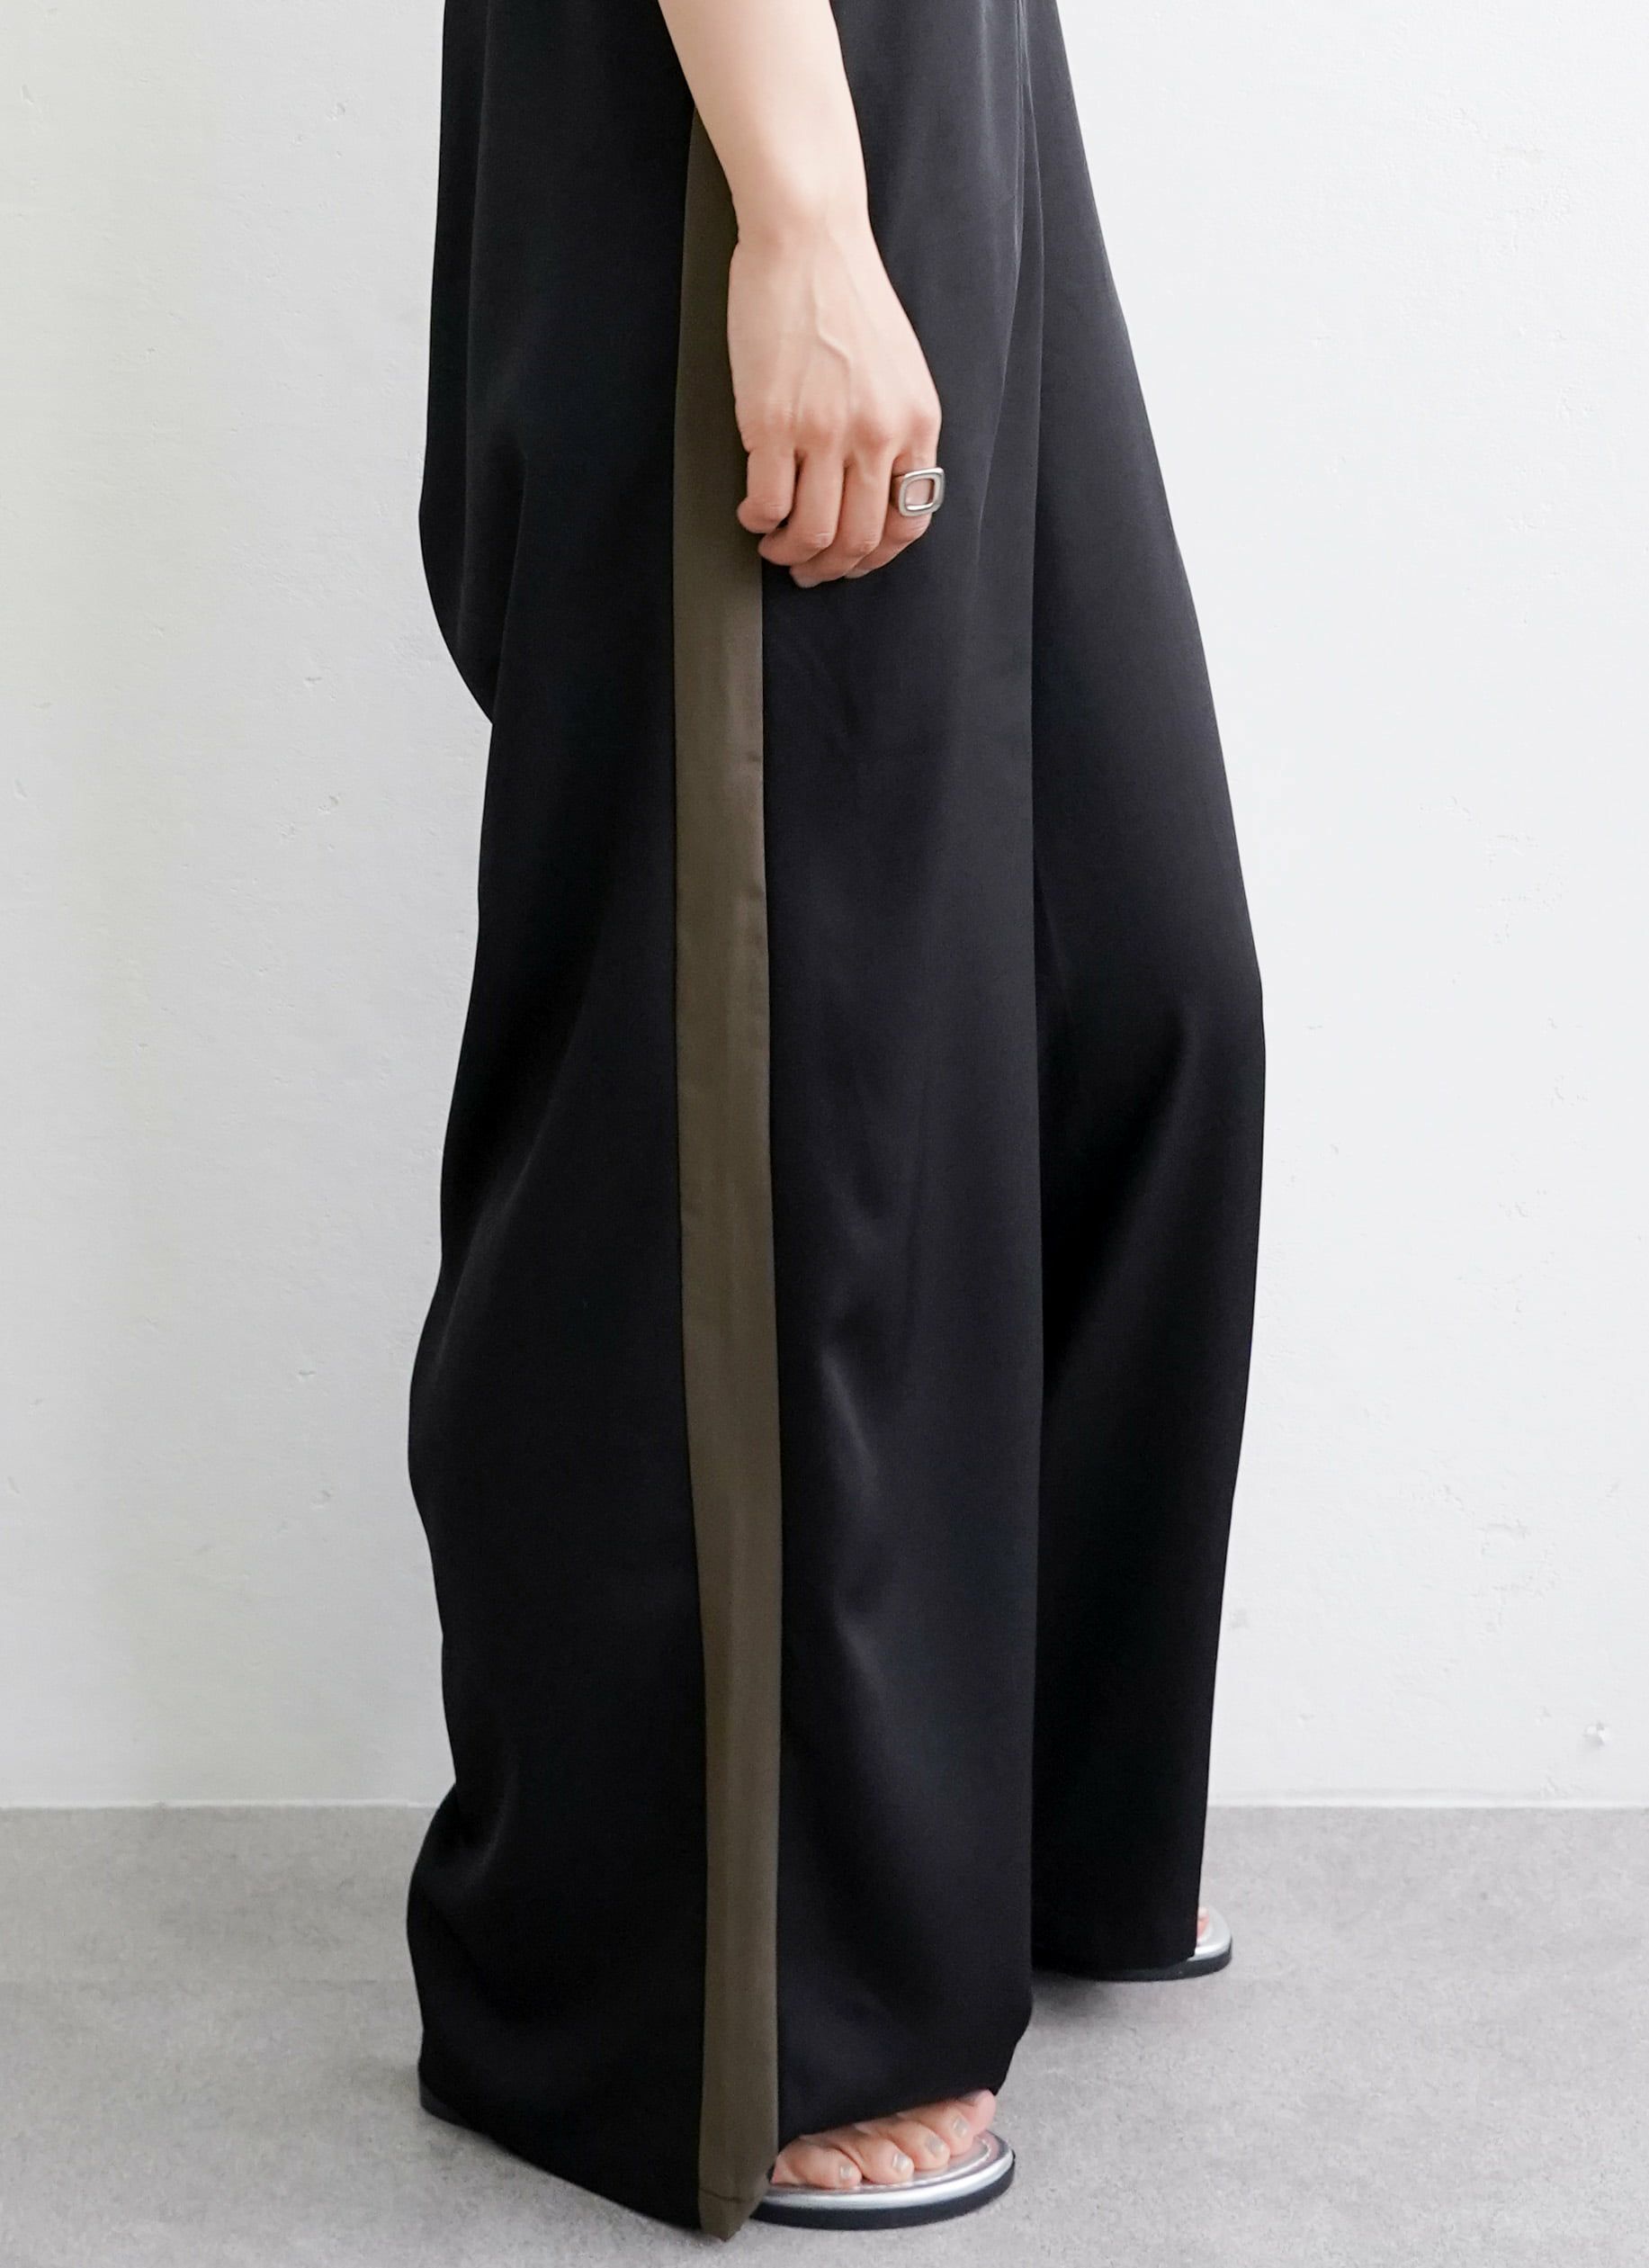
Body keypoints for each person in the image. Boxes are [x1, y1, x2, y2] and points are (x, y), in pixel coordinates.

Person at [406, 0, 1264, 2237]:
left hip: (968, 71)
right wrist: (796, 205)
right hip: (733, 92)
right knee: (772, 1030)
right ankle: (726, 1984)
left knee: (1142, 985)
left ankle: (996, 1829)